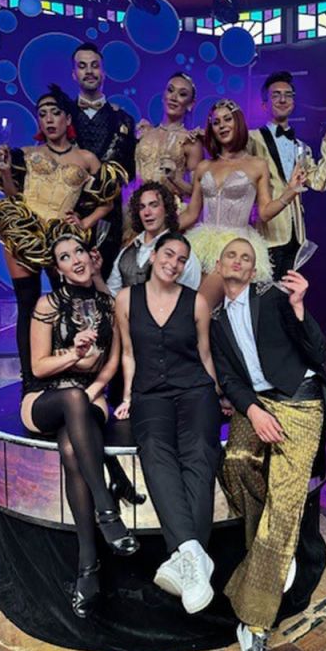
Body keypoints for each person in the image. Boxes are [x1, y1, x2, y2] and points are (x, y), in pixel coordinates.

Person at [209, 238, 326, 651]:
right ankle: (277, 555)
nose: (238, 260)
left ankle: (254, 627)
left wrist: (301, 307)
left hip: (300, 403)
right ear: (217, 265)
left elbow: (317, 352)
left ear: (254, 265)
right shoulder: (218, 321)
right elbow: (230, 379)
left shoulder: (275, 297)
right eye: (230, 255)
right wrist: (254, 412)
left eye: (246, 255)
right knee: (237, 464)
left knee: (284, 506)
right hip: (258, 405)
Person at [21, 234, 139, 619]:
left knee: (71, 450)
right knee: (71, 400)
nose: (75, 259)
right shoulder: (47, 304)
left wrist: (94, 389)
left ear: (91, 257)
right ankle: (108, 510)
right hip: (44, 399)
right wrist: (74, 353)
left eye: (79, 252)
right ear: (57, 269)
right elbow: (38, 367)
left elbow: (113, 362)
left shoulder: (108, 304)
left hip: (92, 397)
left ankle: (88, 569)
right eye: (64, 256)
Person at [114, 232, 225, 614]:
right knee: (155, 450)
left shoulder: (197, 302)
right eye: (168, 254)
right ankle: (196, 554)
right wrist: (127, 397)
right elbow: (128, 354)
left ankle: (184, 557)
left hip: (195, 389)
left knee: (199, 451)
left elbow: (205, 355)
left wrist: (217, 394)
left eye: (181, 259)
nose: (173, 263)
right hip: (150, 394)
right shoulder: (126, 299)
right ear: (154, 255)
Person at [0, 85, 124, 387]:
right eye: (42, 114)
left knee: (65, 304)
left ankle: (70, 374)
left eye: (55, 113)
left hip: (61, 239)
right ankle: (30, 380)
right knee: (27, 305)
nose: (48, 120)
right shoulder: (27, 153)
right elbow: (13, 196)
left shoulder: (86, 158)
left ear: (67, 119)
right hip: (24, 234)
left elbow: (108, 202)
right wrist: (8, 172)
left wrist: (84, 221)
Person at [179, 99, 307, 309]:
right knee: (191, 311)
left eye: (227, 119)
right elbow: (192, 213)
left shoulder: (257, 165)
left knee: (200, 307)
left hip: (235, 247)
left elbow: (264, 213)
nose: (222, 126)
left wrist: (290, 192)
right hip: (200, 245)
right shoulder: (204, 166)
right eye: (216, 122)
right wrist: (160, 230)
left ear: (238, 122)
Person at [249, 71, 326, 277]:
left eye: (288, 94)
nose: (283, 99)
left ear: (293, 102)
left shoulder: (301, 147)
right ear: (264, 104)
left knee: (289, 300)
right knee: (265, 301)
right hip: (265, 235)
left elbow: (319, 183)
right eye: (276, 95)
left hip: (296, 238)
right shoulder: (251, 140)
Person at [68, 42, 137, 278]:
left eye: (94, 66)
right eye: (82, 66)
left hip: (109, 220)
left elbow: (127, 173)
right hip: (67, 215)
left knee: (104, 286)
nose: (89, 71)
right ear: (74, 74)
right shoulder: (60, 116)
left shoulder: (124, 120)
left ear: (103, 73)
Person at [106, 181, 201, 298]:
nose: (147, 212)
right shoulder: (127, 251)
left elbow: (189, 299)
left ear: (167, 210)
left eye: (154, 205)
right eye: (142, 207)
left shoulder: (183, 253)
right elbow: (112, 294)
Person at [135, 72, 202, 199]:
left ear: (190, 104)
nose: (174, 97)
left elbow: (196, 194)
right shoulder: (144, 133)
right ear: (163, 95)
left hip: (171, 214)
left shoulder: (191, 141)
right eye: (170, 90)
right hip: (139, 210)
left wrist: (176, 178)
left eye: (182, 94)